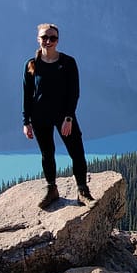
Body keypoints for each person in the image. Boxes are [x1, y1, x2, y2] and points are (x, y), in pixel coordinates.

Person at [22, 23, 94, 209]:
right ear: (38, 39)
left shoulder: (68, 63)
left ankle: (82, 191)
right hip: (40, 117)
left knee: (77, 152)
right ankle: (51, 189)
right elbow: (27, 94)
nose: (48, 41)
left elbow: (74, 92)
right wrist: (26, 121)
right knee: (47, 154)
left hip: (64, 117)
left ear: (58, 40)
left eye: (52, 38)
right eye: (44, 37)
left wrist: (69, 117)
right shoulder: (32, 65)